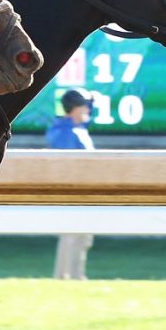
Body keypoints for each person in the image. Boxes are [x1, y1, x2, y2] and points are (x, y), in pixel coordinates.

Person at [46, 88, 96, 280]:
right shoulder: (64, 132)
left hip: (84, 192)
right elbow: (67, 166)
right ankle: (64, 276)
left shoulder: (76, 128)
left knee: (82, 237)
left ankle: (77, 276)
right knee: (70, 236)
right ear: (75, 108)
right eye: (85, 105)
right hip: (73, 192)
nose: (88, 110)